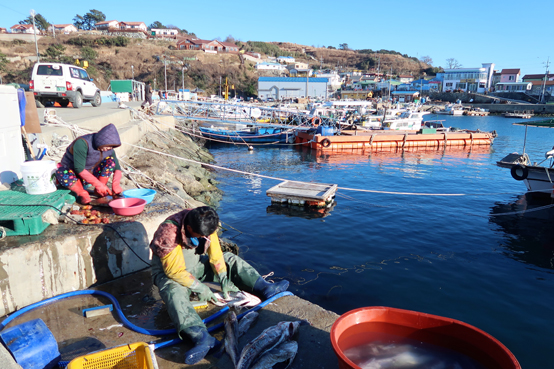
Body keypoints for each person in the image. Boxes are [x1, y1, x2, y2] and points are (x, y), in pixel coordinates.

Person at [150, 206, 289, 365]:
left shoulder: (205, 221)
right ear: (188, 228)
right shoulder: (168, 233)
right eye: (202, 235)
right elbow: (175, 272)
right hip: (169, 274)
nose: (206, 237)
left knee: (229, 258)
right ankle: (200, 336)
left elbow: (215, 253)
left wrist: (222, 275)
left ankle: (264, 287)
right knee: (174, 289)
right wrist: (200, 287)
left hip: (195, 266)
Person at [55, 123, 123, 204]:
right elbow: (79, 169)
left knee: (111, 161)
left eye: (111, 147)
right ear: (101, 141)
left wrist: (116, 184)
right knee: (61, 171)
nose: (109, 149)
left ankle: (99, 191)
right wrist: (98, 184)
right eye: (108, 146)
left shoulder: (109, 150)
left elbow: (117, 169)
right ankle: (81, 193)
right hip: (73, 175)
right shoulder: (82, 143)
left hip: (89, 175)